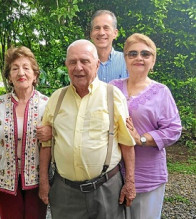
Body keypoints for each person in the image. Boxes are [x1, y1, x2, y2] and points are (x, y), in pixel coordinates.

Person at [38, 39, 136, 219]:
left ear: (97, 64)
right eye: (72, 62)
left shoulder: (113, 95)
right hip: (65, 192)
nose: (78, 67)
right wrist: (43, 181)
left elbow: (126, 143)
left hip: (106, 188)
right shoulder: (56, 98)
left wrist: (130, 182)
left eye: (84, 61)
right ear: (67, 65)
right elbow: (46, 144)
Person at [110, 33, 182, 219]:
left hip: (148, 174)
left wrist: (141, 139)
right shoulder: (111, 88)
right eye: (132, 53)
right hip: (113, 174)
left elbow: (173, 130)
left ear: (153, 60)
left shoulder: (161, 92)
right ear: (125, 58)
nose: (139, 58)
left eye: (145, 54)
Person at [0, 46, 49, 219]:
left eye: (26, 67)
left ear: (35, 75)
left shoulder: (47, 104)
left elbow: (56, 144)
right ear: (9, 76)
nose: (20, 72)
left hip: (37, 182)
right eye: (15, 68)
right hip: (4, 182)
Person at [90, 10, 128, 83]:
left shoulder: (127, 61)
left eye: (106, 28)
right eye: (97, 28)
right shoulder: (83, 63)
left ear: (115, 33)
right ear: (91, 34)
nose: (101, 33)